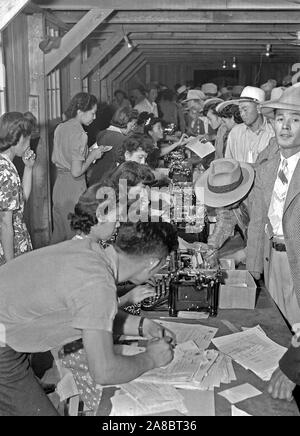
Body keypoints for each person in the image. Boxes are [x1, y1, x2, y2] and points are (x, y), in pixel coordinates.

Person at [0, 215, 178, 416]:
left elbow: (91, 313)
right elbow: (104, 372)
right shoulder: (98, 284)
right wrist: (151, 359)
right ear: (153, 262)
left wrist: (142, 326)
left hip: (10, 326)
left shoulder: (91, 250)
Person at [245, 84, 300, 401]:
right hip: (272, 259)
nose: (286, 127)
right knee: (279, 335)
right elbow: (257, 218)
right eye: (280, 119)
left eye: (295, 119)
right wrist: (253, 268)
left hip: (297, 263)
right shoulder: (269, 161)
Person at [51, 92, 104, 243]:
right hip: (74, 188)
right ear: (80, 111)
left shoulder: (60, 127)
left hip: (59, 186)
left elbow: (58, 157)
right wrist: (92, 156)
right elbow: (76, 172)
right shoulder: (81, 134)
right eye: (92, 113)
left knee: (59, 234)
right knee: (74, 236)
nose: (94, 118)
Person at [195, 158, 254, 266]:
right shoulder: (225, 186)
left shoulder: (258, 195)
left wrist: (239, 256)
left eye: (228, 198)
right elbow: (225, 221)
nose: (226, 204)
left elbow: (262, 235)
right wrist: (212, 246)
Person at [0, 112, 36, 266]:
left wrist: (28, 169)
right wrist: (10, 265)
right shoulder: (7, 173)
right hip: (11, 246)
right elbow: (5, 224)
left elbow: (21, 202)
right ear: (17, 138)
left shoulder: (4, 164)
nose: (29, 143)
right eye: (27, 138)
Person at [87, 107, 136, 187]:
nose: (133, 128)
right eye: (132, 125)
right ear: (125, 122)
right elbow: (124, 168)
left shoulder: (102, 134)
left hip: (96, 178)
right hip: (111, 183)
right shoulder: (123, 140)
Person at [225, 86, 274, 164]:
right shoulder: (235, 133)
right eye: (240, 110)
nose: (242, 114)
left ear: (258, 108)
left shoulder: (272, 134)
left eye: (245, 109)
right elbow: (228, 163)